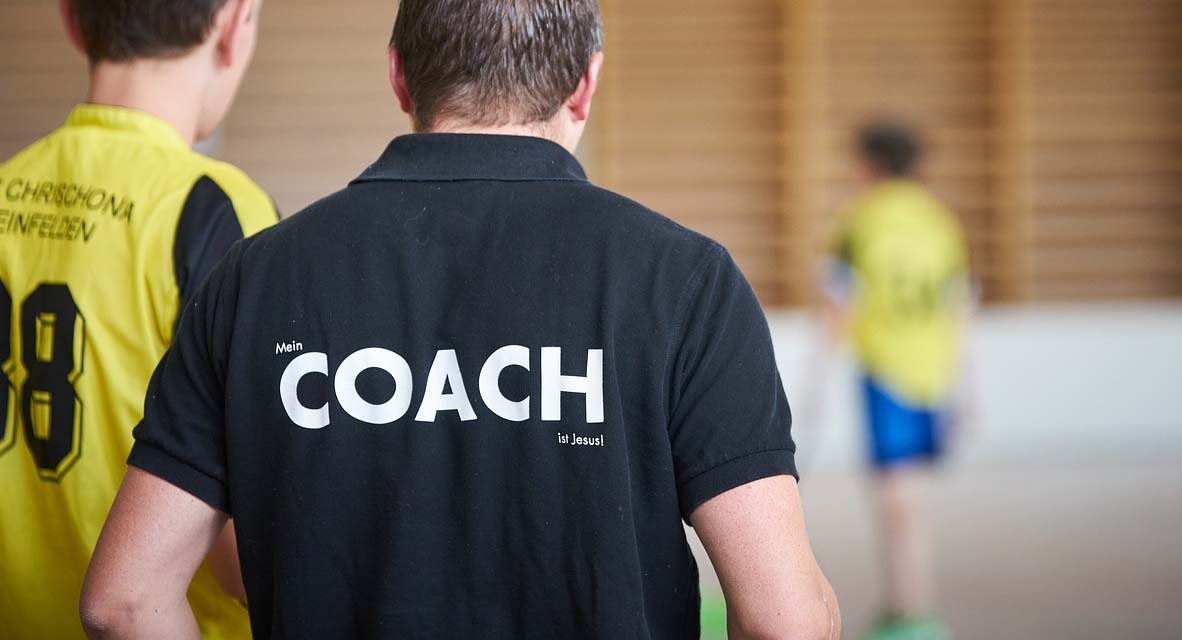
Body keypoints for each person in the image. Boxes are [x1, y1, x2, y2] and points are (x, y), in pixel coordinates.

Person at [80, 1, 840, 638]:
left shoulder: (253, 280)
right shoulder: (686, 283)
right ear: (585, 85)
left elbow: (123, 601)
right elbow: (785, 621)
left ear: (398, 75)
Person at [0, 1, 276, 637]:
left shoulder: (7, 186)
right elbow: (248, 562)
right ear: (233, 23)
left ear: (71, 19)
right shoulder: (215, 211)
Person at [824, 123, 970, 640]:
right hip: (933, 373)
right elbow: (958, 304)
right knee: (907, 494)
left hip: (887, 372)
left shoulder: (860, 219)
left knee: (895, 495)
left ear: (870, 165)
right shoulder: (939, 219)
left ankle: (913, 612)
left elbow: (840, 298)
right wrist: (962, 385)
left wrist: (817, 369)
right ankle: (903, 604)